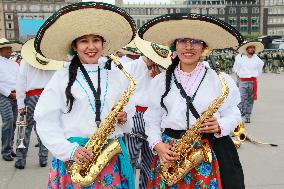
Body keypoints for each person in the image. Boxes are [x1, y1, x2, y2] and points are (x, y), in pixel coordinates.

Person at [34, 2, 136, 188]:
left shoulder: (116, 76)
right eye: (84, 41)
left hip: (109, 158)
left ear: (103, 44)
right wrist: (69, 151)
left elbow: (130, 112)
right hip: (75, 158)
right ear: (75, 45)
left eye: (96, 40)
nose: (91, 47)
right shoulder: (62, 77)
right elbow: (44, 120)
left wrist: (124, 118)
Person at [139, 13, 245, 189]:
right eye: (182, 41)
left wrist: (220, 125)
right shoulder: (160, 81)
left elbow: (233, 113)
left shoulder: (220, 79)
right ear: (175, 45)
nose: (188, 47)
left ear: (203, 46)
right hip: (170, 152)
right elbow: (151, 119)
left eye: (195, 41)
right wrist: (157, 144)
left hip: (207, 151)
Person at [123, 36, 172, 189]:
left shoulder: (165, 71)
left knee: (151, 162)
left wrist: (159, 79)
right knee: (129, 160)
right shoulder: (130, 67)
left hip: (155, 119)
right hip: (133, 115)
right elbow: (121, 94)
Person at [14, 38, 64, 169]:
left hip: (31, 97)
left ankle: (20, 159)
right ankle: (43, 158)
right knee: (45, 127)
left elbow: (21, 82)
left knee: (23, 128)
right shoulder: (54, 61)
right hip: (48, 97)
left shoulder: (26, 61)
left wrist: (20, 103)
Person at [0, 38, 22, 161]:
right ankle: (5, 150)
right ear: (1, 49)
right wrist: (9, 94)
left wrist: (18, 92)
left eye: (10, 48)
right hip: (3, 95)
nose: (10, 50)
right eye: (7, 48)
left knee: (13, 122)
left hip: (15, 95)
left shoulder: (14, 64)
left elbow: (19, 79)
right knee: (8, 120)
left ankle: (9, 147)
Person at [233, 41, 264, 123]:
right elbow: (235, 68)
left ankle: (247, 116)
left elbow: (259, 71)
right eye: (250, 48)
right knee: (240, 100)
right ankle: (238, 116)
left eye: (253, 48)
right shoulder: (239, 58)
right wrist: (239, 77)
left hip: (252, 82)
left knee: (250, 100)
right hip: (242, 81)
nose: (252, 49)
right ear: (247, 49)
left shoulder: (258, 60)